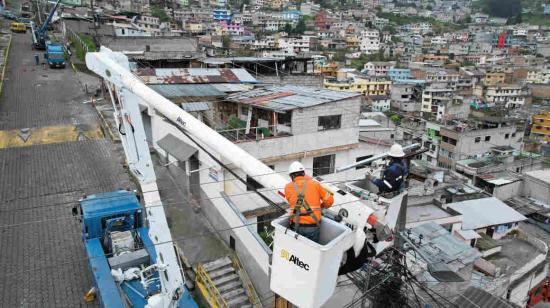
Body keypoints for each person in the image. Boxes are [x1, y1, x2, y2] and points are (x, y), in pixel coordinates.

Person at [284, 161, 334, 242]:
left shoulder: (287, 187)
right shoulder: (315, 184)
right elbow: (330, 200)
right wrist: (320, 207)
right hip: (312, 227)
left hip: (295, 226)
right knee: (312, 251)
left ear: (292, 176)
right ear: (304, 173)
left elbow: (291, 201)